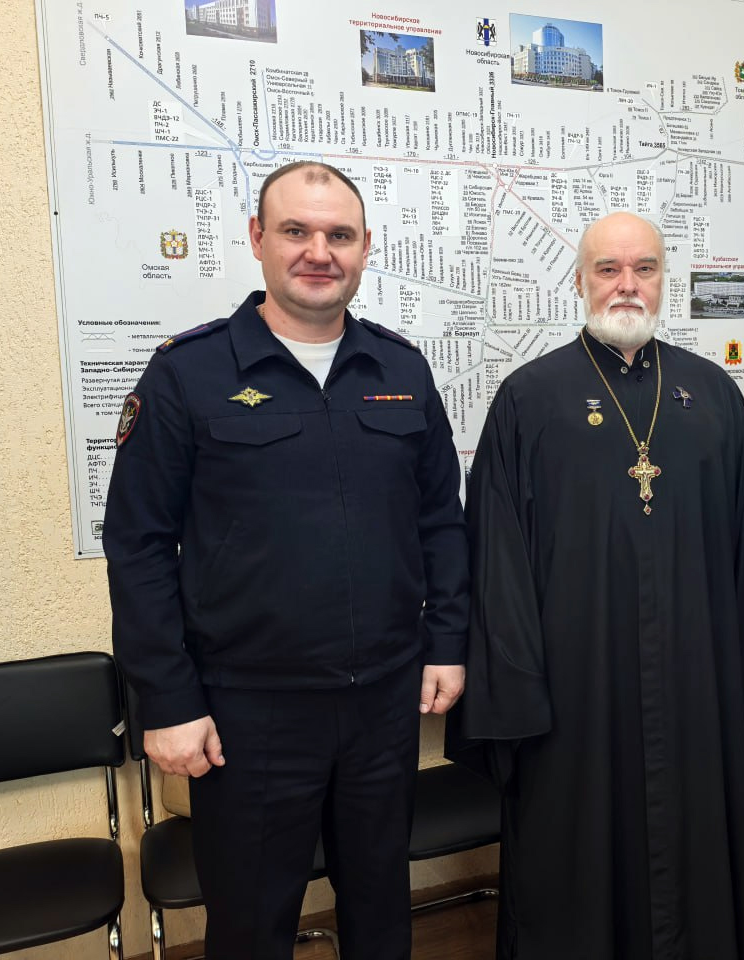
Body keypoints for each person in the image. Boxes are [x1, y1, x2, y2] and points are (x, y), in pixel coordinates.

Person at [104, 160, 468, 960]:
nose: (318, 252)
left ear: (365, 247)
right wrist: (166, 698)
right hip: (249, 712)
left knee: (381, 912)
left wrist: (446, 641)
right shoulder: (188, 373)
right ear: (257, 238)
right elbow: (137, 544)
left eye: (339, 235)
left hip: (383, 702)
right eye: (296, 231)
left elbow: (441, 520)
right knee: (251, 925)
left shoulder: (400, 369)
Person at [448, 211, 744, 959]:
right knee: (573, 861)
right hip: (575, 693)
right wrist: (517, 693)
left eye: (644, 268)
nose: (627, 285)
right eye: (608, 269)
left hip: (694, 687)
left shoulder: (713, 395)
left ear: (664, 281)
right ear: (579, 281)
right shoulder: (529, 398)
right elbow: (495, 559)